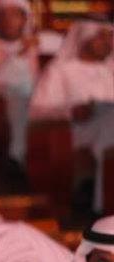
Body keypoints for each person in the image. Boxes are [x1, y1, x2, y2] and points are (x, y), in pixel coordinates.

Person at [30, 20, 114, 211]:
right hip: (75, 131)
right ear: (85, 37)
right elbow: (39, 110)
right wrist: (71, 111)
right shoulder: (60, 70)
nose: (109, 43)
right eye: (102, 36)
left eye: (111, 37)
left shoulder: (111, 70)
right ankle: (100, 204)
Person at [0, 0, 39, 163]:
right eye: (4, 16)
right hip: (5, 104)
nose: (9, 20)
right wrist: (19, 55)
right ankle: (17, 159)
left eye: (14, 15)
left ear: (25, 19)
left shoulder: (37, 45)